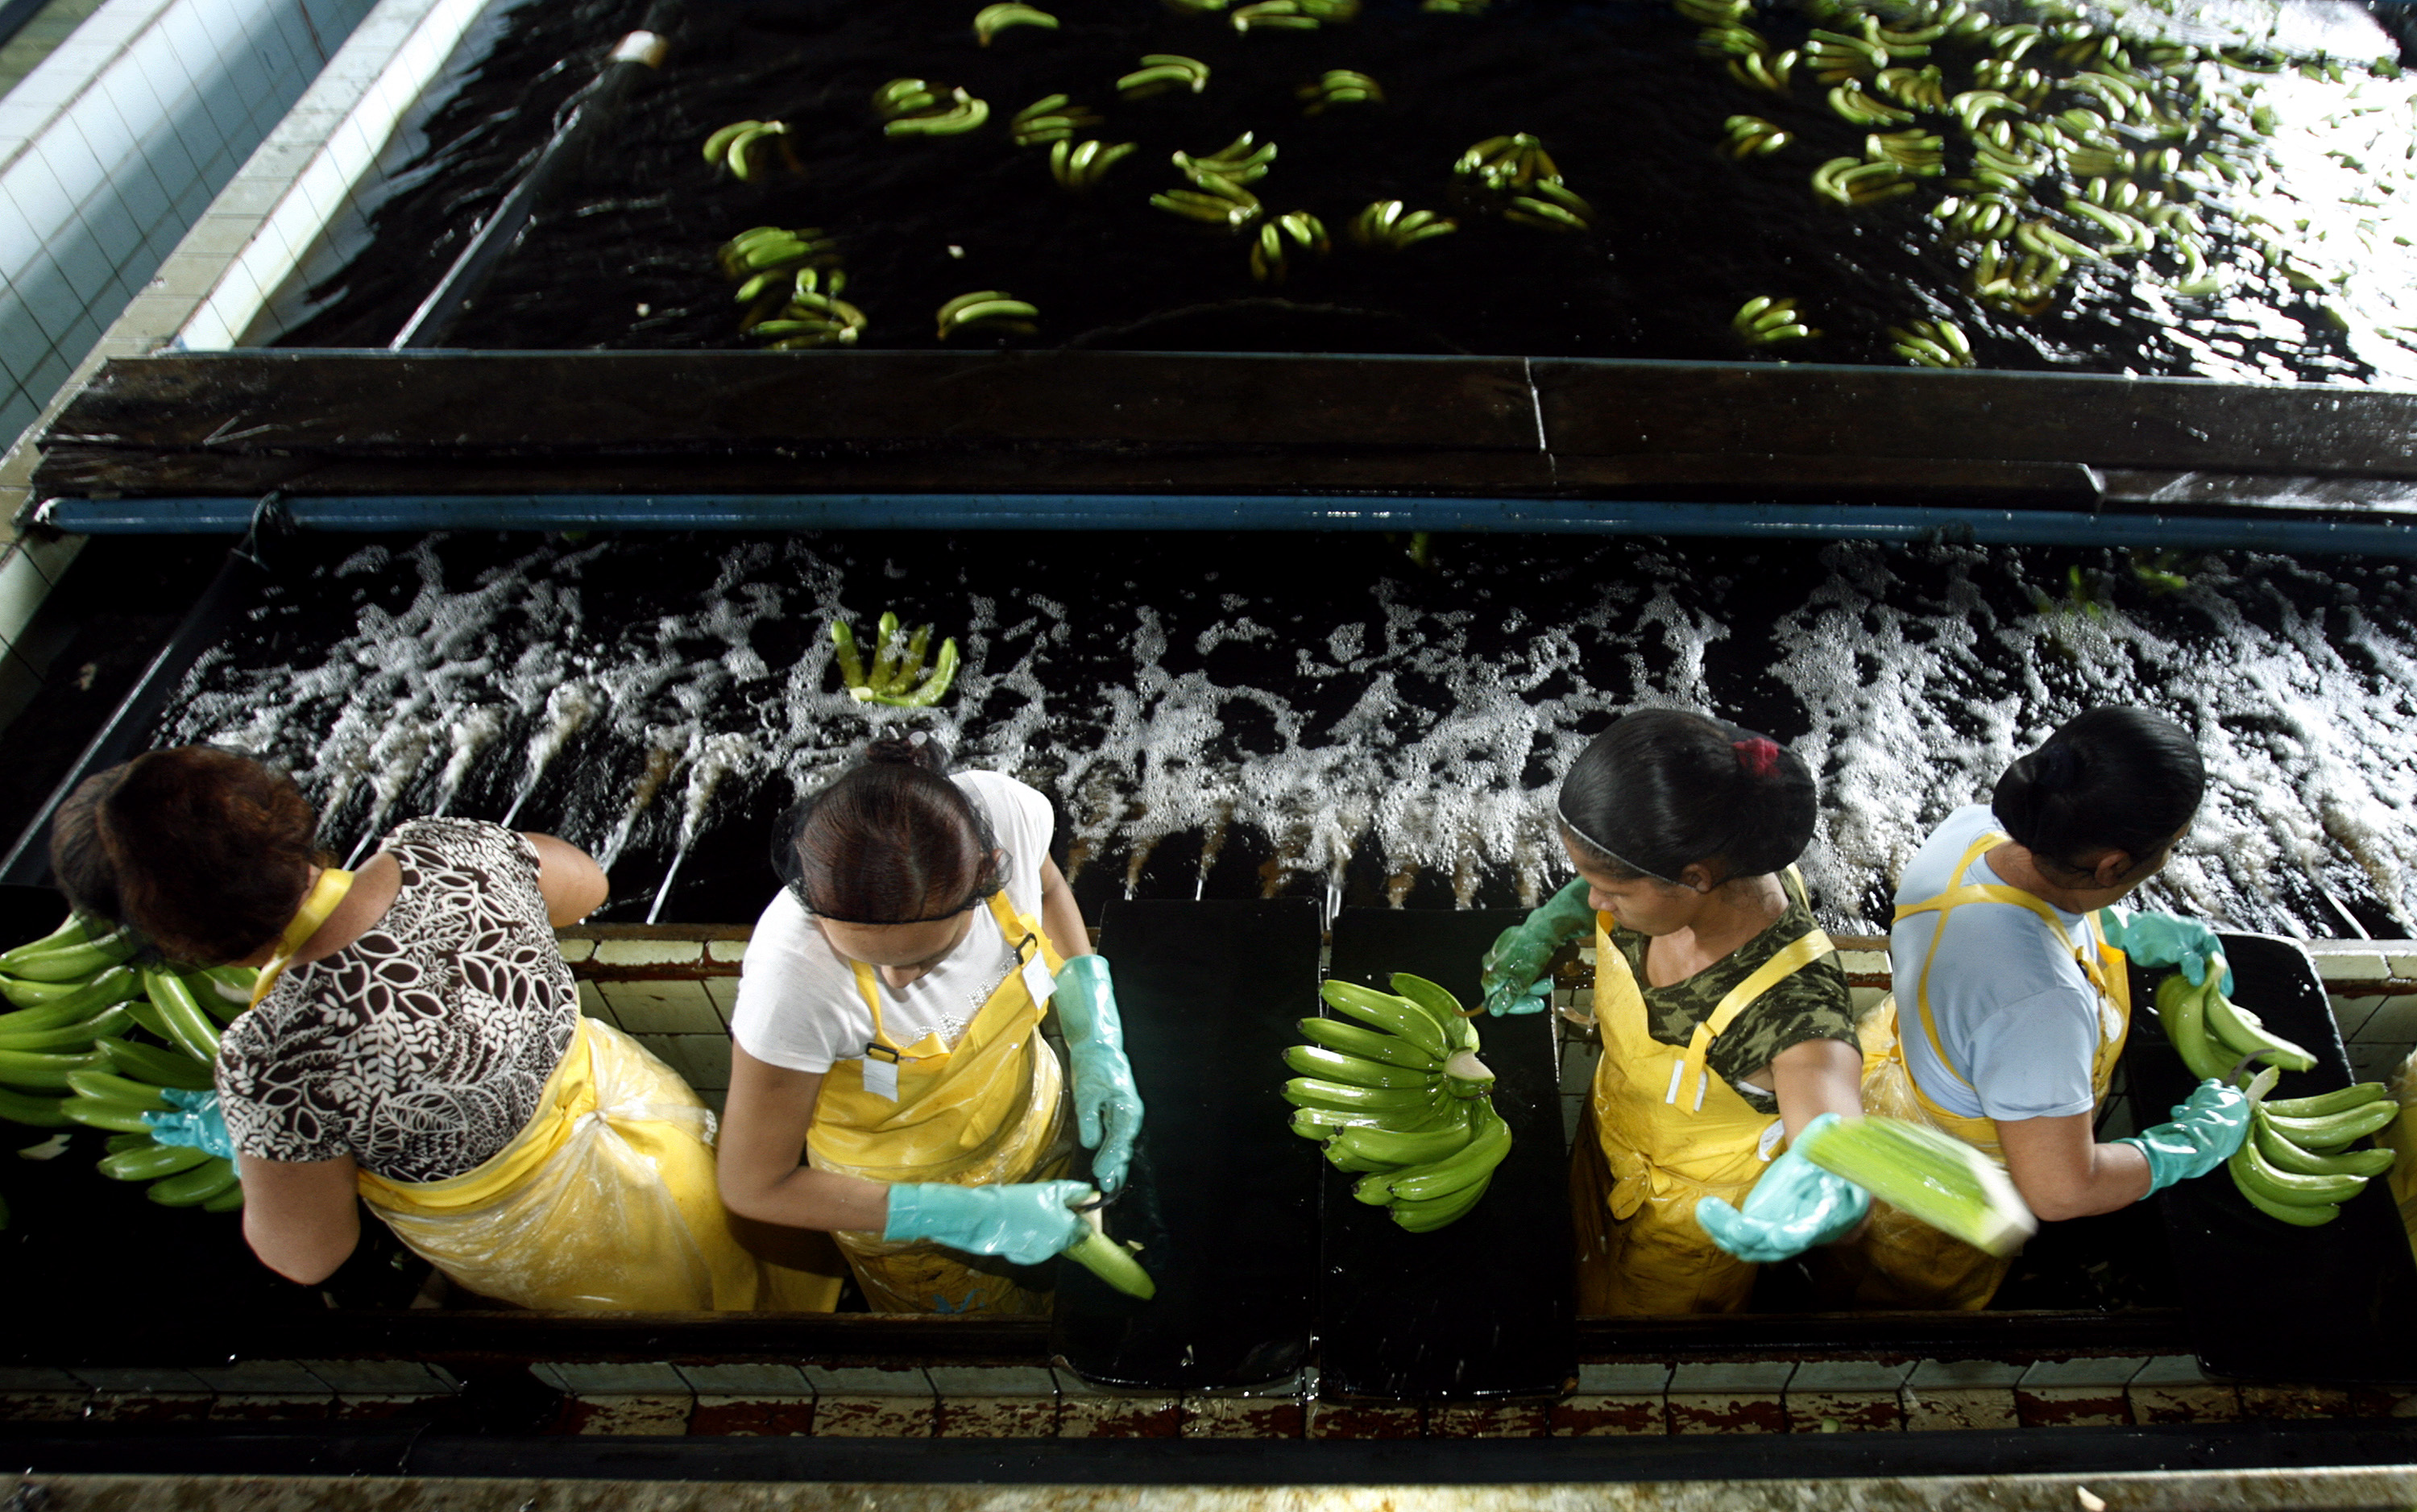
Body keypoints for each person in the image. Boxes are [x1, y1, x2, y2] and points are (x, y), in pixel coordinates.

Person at [49, 744, 839, 1311]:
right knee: (738, 1242)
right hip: (645, 1111)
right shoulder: (443, 850)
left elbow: (311, 1252)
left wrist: (260, 1141)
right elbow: (585, 883)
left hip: (554, 1231)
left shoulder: (269, 1058)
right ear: (277, 813)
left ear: (176, 937)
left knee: (671, 1310)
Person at [1823, 706, 2249, 1310]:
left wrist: (2117, 926)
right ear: (2111, 865)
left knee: (1847, 1265)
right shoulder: (2041, 1006)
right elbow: (2062, 1191)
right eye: (2170, 848)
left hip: (1891, 1083)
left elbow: (2011, 915)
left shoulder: (1972, 831)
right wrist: (2183, 1146)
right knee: (1900, 1302)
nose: (2168, 860)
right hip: (1943, 1186)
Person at [715, 735, 1143, 1314]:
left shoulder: (1002, 814)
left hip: (1029, 1118)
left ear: (987, 874)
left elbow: (1043, 888)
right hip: (898, 1203)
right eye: (868, 958)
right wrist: (961, 1214)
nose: (897, 980)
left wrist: (1093, 1034)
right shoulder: (791, 979)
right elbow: (753, 1185)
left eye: (923, 956)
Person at [1481, 708, 1868, 1315]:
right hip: (1614, 1139)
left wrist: (1833, 1189)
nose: (1594, 899)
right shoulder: (1701, 853)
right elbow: (1603, 888)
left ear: (1694, 878)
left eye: (1610, 889)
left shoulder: (1793, 1013)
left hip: (1687, 1233)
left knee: (1629, 1326)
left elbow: (1833, 1116)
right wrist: (1547, 926)